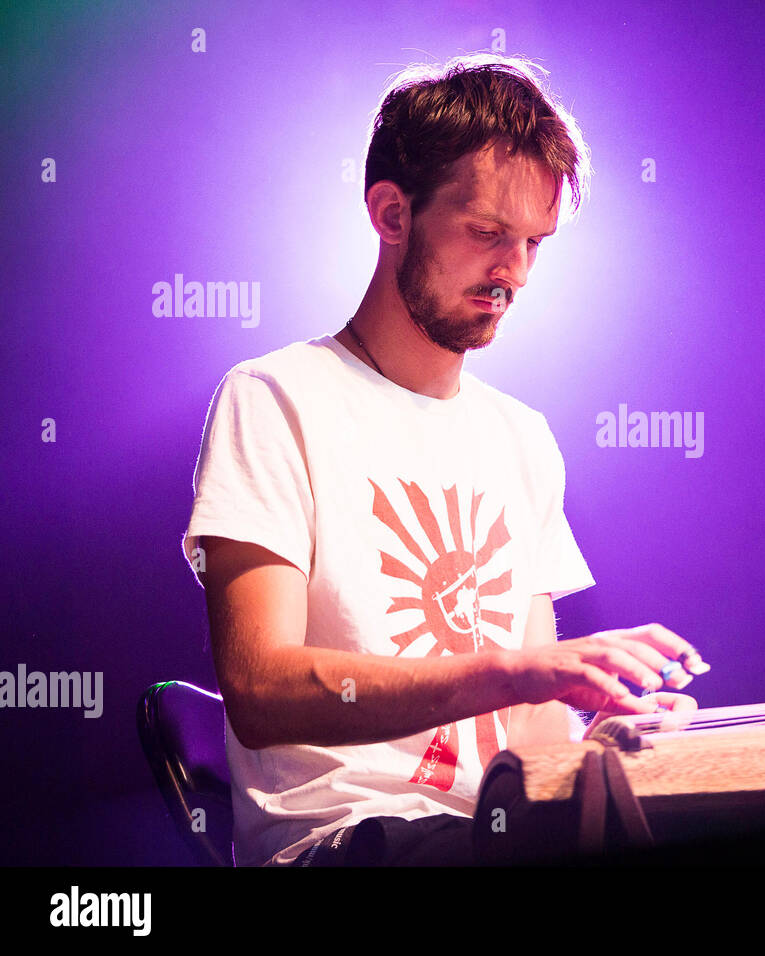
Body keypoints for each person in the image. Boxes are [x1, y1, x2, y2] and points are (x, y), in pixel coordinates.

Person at [182, 53, 702, 867]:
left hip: (489, 834)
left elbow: (529, 729)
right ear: (392, 213)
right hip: (345, 840)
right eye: (489, 233)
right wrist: (506, 671)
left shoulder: (522, 436)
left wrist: (600, 733)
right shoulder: (273, 397)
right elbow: (259, 692)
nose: (515, 273)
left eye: (535, 241)